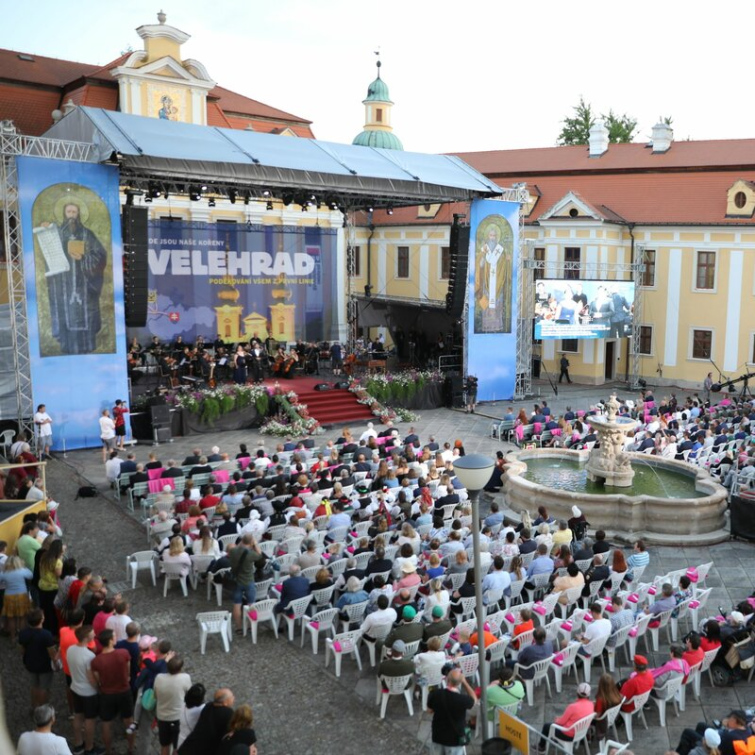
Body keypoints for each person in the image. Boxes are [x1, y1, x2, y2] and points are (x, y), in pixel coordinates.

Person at [40, 200, 107, 355]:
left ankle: (86, 347)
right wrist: (45, 230)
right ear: (64, 214)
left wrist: (83, 258)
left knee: (85, 315)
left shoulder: (87, 234)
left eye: (74, 212)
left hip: (84, 284)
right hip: (63, 283)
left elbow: (100, 255)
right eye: (69, 212)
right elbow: (48, 248)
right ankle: (66, 347)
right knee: (66, 313)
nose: (71, 215)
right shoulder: (57, 232)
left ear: (79, 214)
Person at [91, 628, 135, 755]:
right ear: (110, 641)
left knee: (106, 723)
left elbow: (98, 679)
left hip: (107, 694)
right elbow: (128, 672)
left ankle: (108, 750)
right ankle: (131, 747)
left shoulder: (96, 661)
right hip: (124, 692)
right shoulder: (123, 653)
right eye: (114, 636)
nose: (116, 638)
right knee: (129, 721)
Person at [67, 624, 102, 755]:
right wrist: (99, 689)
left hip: (75, 688)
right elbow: (92, 679)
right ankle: (89, 747)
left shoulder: (71, 649)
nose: (95, 634)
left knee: (78, 716)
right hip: (88, 693)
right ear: (87, 638)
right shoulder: (89, 656)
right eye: (93, 633)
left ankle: (78, 744)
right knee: (90, 719)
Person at [427, 667, 477, 754]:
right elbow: (474, 700)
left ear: (447, 679)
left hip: (438, 735)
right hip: (455, 739)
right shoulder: (462, 699)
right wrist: (465, 682)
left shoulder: (435, 694)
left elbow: (429, 711)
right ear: (459, 683)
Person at [19, 608, 58, 710]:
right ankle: (43, 709)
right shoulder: (46, 635)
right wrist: (56, 663)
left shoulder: (23, 633)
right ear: (41, 620)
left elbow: (22, 650)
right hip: (44, 665)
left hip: (30, 663)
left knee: (34, 685)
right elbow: (52, 653)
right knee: (44, 687)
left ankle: (34, 706)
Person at [538, 682, 593, 752]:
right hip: (581, 732)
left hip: (568, 735)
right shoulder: (591, 705)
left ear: (577, 693)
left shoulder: (572, 707)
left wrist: (557, 720)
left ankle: (541, 747)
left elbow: (561, 722)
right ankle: (554, 740)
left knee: (547, 726)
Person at [178, 687, 235, 755]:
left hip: (190, 747)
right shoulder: (229, 713)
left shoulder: (208, 706)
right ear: (225, 702)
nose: (234, 698)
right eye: (232, 697)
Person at [154, 655, 192, 755]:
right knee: (177, 747)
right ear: (180, 668)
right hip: (178, 717)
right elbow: (189, 695)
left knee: (164, 745)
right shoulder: (185, 678)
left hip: (162, 717)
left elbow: (155, 696)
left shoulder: (159, 678)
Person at [228, 535, 263, 633]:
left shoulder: (233, 551)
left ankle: (239, 627)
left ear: (242, 541)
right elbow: (260, 555)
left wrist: (242, 541)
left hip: (237, 580)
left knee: (237, 604)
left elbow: (236, 547)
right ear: (251, 542)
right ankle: (250, 625)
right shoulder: (251, 554)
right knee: (251, 603)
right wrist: (255, 544)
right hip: (249, 580)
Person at [675, 710, 754, 755]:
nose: (728, 719)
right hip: (717, 737)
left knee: (687, 733)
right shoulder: (747, 730)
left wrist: (705, 741)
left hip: (712, 746)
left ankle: (679, 753)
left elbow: (717, 747)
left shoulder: (730, 737)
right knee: (701, 725)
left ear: (734, 721)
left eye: (730, 718)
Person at [594, 673, 622, 740]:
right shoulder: (616, 694)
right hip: (612, 717)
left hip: (602, 721)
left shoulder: (600, 699)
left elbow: (597, 715)